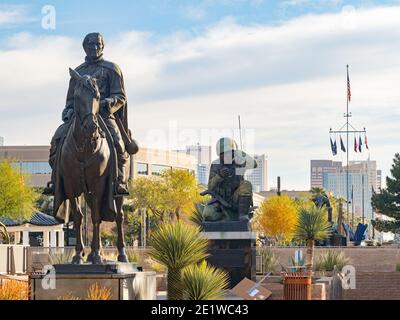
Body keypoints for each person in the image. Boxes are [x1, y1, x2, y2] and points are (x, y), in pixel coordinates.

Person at [44, 32, 130, 196]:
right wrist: (68, 112)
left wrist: (105, 103)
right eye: (90, 45)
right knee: (57, 139)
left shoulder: (112, 69)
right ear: (85, 47)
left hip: (104, 115)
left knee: (118, 143)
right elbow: (70, 100)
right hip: (81, 116)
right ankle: (56, 181)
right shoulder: (78, 72)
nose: (94, 47)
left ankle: (120, 181)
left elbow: (120, 97)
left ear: (103, 46)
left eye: (98, 44)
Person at [203, 137, 257, 221]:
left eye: (230, 153)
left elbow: (254, 164)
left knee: (246, 184)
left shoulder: (239, 163)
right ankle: (226, 216)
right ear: (220, 154)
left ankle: (243, 215)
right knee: (207, 214)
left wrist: (241, 153)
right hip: (219, 201)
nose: (227, 155)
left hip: (235, 199)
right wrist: (219, 176)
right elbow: (210, 187)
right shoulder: (215, 165)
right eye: (224, 153)